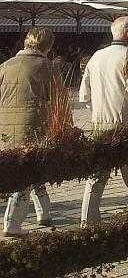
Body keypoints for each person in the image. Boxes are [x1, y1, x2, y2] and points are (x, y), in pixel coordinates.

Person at [79, 17, 128, 225]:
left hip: (100, 124)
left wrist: (98, 110)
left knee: (96, 176)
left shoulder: (96, 57)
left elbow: (84, 94)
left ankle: (87, 220)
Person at [1, 28, 59, 236]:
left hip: (4, 126)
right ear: (48, 46)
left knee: (34, 169)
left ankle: (44, 212)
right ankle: (12, 223)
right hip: (32, 124)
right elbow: (57, 99)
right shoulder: (46, 66)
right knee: (25, 172)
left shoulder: (5, 66)